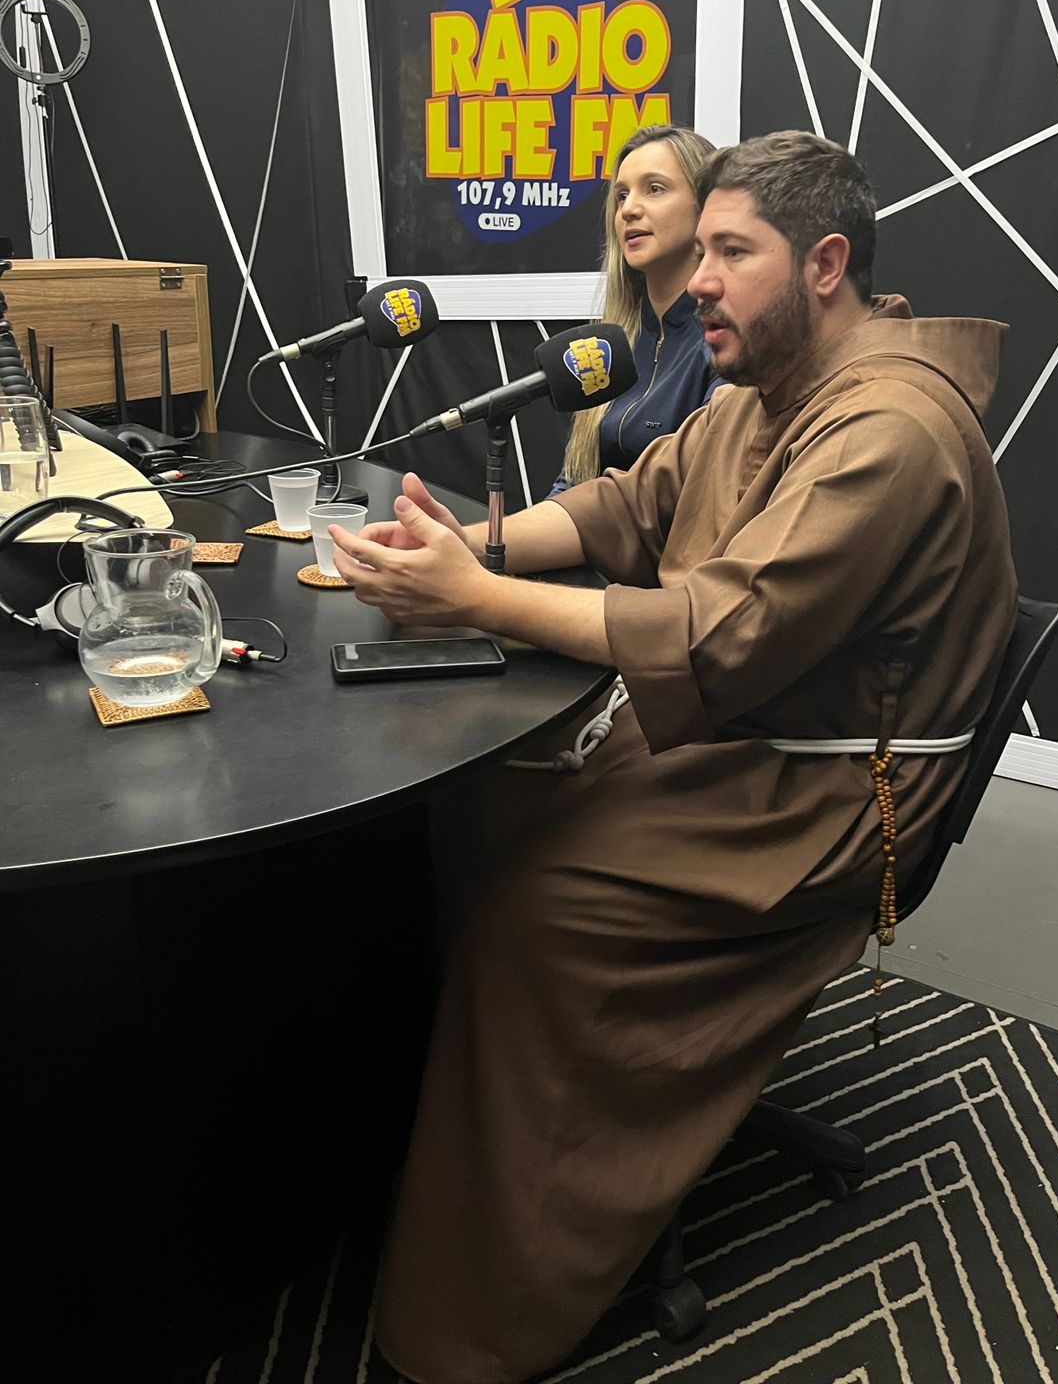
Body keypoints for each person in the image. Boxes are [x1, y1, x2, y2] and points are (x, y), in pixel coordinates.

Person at [330, 130, 1018, 1384]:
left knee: (538, 906)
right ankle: (456, 1124)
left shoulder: (893, 429)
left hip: (829, 794)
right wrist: (475, 549)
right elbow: (627, 505)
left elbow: (721, 630)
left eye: (729, 251)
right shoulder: (766, 389)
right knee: (471, 801)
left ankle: (478, 1313)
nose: (696, 278)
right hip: (750, 736)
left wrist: (474, 599)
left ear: (824, 264)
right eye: (701, 250)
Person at [549, 122, 719, 494]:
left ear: (706, 206)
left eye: (654, 189)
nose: (628, 210)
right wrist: (507, 530)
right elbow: (574, 479)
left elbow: (687, 489)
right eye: (622, 195)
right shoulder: (614, 341)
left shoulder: (726, 342)